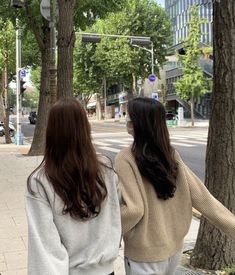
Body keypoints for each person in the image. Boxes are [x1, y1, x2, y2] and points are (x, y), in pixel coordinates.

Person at [115, 97, 235, 275]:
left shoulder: (125, 158)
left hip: (145, 254)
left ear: (137, 122)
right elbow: (202, 198)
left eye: (129, 114)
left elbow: (134, 210)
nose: (126, 118)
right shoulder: (170, 155)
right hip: (174, 250)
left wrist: (107, 233)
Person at [26, 97, 121, 275]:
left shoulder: (40, 181)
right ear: (85, 128)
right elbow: (115, 216)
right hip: (106, 269)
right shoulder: (106, 169)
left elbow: (44, 244)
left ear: (51, 131)